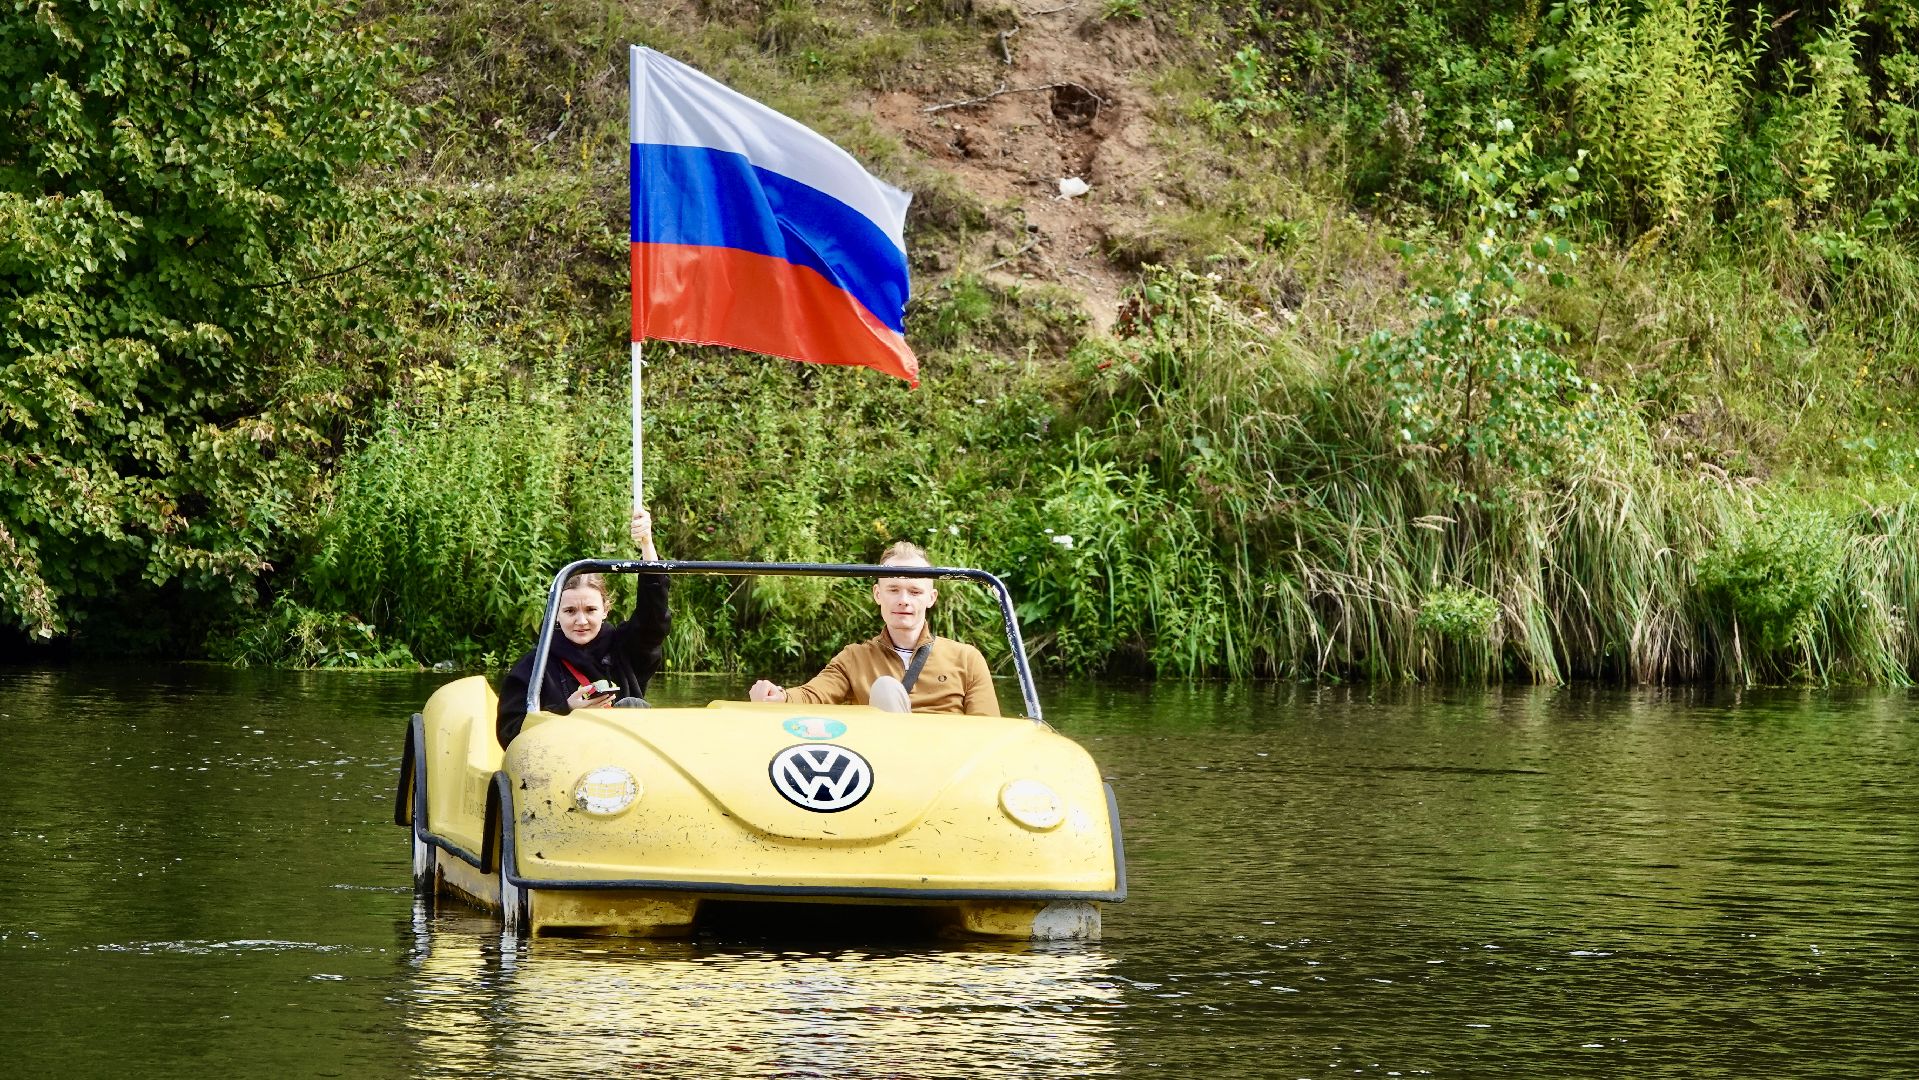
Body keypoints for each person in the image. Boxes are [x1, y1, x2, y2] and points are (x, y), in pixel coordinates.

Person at [749, 541, 1000, 716]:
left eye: (914, 591)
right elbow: (813, 695)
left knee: (885, 689)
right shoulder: (854, 658)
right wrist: (778, 696)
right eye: (893, 589)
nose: (904, 600)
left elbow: (990, 733)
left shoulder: (967, 659)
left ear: (931, 598)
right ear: (878, 594)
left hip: (945, 766)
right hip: (884, 766)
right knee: (886, 689)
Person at [496, 509, 670, 747]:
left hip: (626, 763)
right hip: (566, 767)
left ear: (605, 610)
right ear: (556, 613)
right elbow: (510, 734)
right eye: (570, 611)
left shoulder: (626, 649)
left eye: (590, 610)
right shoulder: (534, 667)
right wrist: (567, 711)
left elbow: (653, 619)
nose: (581, 621)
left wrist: (647, 545)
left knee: (633, 706)